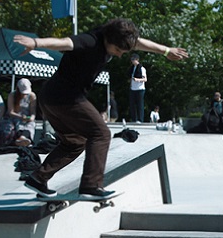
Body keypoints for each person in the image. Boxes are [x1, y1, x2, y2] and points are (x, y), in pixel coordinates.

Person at [14, 17, 188, 199]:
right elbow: (63, 43)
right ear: (108, 40)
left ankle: (38, 178)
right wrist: (35, 43)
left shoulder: (115, 37)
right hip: (65, 97)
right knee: (101, 133)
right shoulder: (90, 41)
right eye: (118, 50)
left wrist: (167, 50)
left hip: (50, 97)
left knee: (75, 143)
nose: (119, 55)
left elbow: (138, 43)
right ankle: (91, 186)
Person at [6, 78, 37, 146]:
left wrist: (31, 117)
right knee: (18, 124)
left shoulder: (32, 95)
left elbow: (33, 112)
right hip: (16, 116)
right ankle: (21, 138)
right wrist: (21, 117)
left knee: (31, 125)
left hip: (27, 117)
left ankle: (23, 138)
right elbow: (10, 112)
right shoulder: (12, 95)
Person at [128, 53, 147, 122]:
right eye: (131, 59)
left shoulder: (142, 68)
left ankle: (140, 119)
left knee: (140, 105)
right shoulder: (132, 68)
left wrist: (137, 80)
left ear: (137, 60)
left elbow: (145, 79)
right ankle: (133, 119)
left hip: (140, 89)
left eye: (133, 59)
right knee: (132, 105)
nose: (132, 61)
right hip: (133, 88)